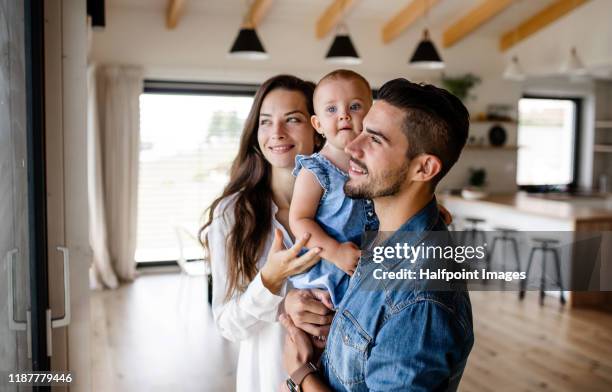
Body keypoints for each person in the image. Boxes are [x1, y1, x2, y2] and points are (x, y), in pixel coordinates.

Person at [280, 79, 475, 391]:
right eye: (363, 130)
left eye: (375, 139)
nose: (352, 145)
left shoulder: (419, 302)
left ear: (424, 169)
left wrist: (300, 376)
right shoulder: (378, 240)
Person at [201, 75, 334, 392]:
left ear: (317, 130)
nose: (276, 133)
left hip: (346, 373)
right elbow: (226, 324)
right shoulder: (232, 215)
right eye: (265, 122)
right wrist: (270, 283)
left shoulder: (353, 205)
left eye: (292, 119)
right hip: (269, 377)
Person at [288, 69, 378, 308]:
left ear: (372, 115)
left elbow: (399, 195)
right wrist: (335, 251)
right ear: (317, 124)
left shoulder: (379, 165)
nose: (344, 115)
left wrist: (426, 208)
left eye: (355, 106)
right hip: (326, 278)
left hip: (368, 277)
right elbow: (299, 220)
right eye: (332, 109)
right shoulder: (315, 170)